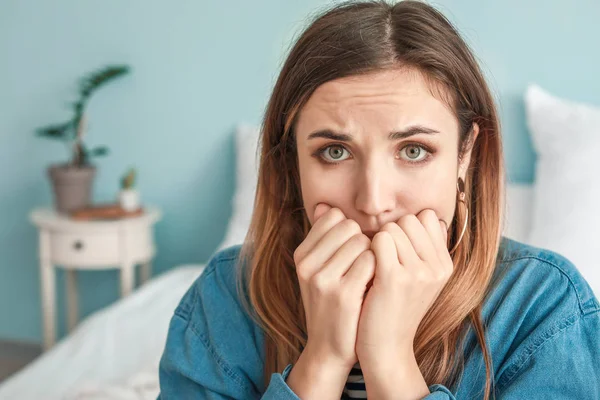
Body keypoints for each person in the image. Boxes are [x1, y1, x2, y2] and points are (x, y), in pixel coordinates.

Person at [157, 1, 600, 399]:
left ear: (465, 155)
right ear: (292, 161)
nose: (372, 201)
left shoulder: (543, 307)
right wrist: (324, 358)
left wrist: (388, 357)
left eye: (413, 151)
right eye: (334, 152)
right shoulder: (225, 297)